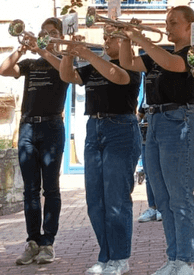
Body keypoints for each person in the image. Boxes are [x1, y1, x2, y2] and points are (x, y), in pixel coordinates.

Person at [118, 6, 194, 275]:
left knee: (180, 196)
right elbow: (127, 63)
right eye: (167, 22)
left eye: (174, 23)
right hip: (154, 121)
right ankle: (174, 258)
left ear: (190, 26)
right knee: (163, 199)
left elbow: (174, 66)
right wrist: (126, 38)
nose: (168, 27)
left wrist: (139, 37)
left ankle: (186, 261)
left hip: (180, 120)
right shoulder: (159, 54)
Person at [58, 30, 141, 275]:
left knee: (116, 199)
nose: (105, 41)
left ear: (124, 42)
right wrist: (68, 54)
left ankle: (120, 258)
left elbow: (118, 77)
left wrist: (88, 55)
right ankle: (105, 256)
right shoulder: (94, 66)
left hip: (120, 128)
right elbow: (67, 76)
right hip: (94, 127)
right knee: (95, 200)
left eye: (111, 38)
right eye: (104, 38)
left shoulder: (131, 65)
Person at [0, 17, 70, 266]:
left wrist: (42, 48)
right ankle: (32, 241)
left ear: (60, 37)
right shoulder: (30, 63)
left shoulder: (63, 62)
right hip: (28, 126)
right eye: (43, 32)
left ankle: (48, 243)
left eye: (51, 33)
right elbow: (4, 70)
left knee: (50, 188)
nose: (46, 35)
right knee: (29, 189)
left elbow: (66, 74)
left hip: (51, 127)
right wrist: (21, 48)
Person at [136, 100, 162, 224]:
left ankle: (162, 207)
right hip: (145, 139)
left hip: (161, 139)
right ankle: (152, 207)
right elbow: (140, 114)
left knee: (161, 174)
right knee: (148, 175)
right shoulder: (146, 97)